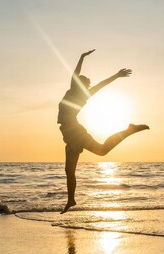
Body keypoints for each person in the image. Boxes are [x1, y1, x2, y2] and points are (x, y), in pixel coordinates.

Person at [58, 49, 149, 213]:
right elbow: (80, 76)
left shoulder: (80, 93)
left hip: (74, 132)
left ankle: (128, 130)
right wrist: (81, 57)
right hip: (69, 133)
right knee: (70, 170)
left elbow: (101, 84)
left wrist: (115, 75)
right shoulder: (77, 93)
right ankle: (71, 199)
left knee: (100, 152)